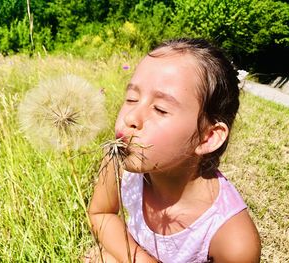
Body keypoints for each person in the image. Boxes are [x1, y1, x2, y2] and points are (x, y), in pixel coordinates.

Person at [87, 38, 261, 263]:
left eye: (160, 109)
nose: (130, 117)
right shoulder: (118, 160)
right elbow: (101, 213)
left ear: (207, 137)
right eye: (131, 98)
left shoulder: (233, 240)